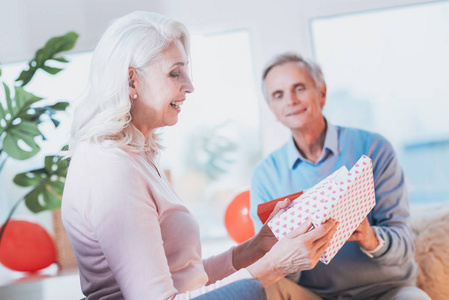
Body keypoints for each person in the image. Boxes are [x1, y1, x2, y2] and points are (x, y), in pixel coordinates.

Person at [61, 12, 339, 300]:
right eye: (174, 73)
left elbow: (185, 276)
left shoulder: (133, 158)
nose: (190, 86)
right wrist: (275, 266)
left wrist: (257, 247)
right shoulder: (112, 169)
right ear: (131, 81)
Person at [249, 53, 431, 300]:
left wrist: (370, 238)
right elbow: (269, 261)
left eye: (299, 88)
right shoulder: (265, 175)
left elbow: (404, 245)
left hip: (387, 291)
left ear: (321, 93)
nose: (290, 100)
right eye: (278, 95)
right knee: (258, 290)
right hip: (313, 295)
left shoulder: (375, 148)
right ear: (272, 108)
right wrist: (288, 251)